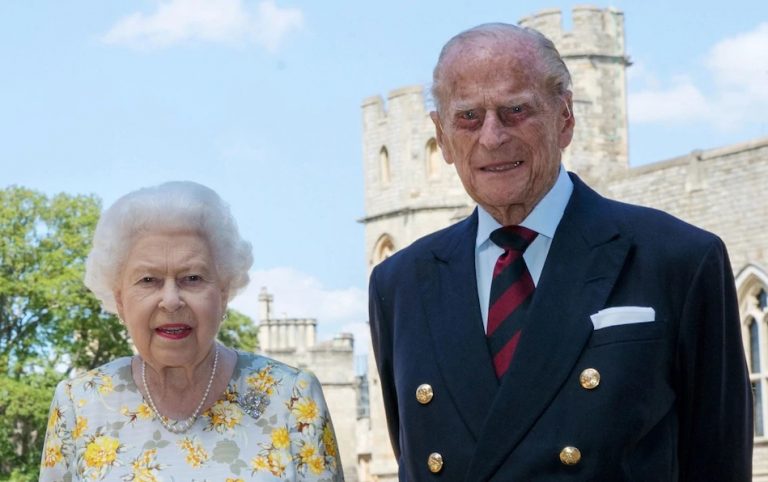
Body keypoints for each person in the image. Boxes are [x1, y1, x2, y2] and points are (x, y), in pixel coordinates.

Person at [368, 23, 752, 481]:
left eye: (515, 110)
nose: (491, 137)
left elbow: (718, 462)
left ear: (565, 117)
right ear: (442, 137)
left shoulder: (679, 260)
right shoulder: (400, 283)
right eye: (468, 117)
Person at [40, 181, 342, 481]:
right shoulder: (77, 404)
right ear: (120, 300)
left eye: (192, 278)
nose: (171, 300)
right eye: (148, 280)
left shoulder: (292, 397)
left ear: (223, 293)